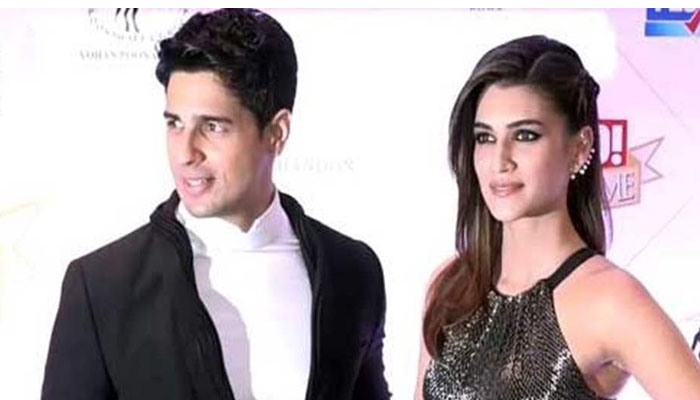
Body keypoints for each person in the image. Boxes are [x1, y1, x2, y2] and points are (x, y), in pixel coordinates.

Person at [42, 8, 390, 400]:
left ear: (277, 132)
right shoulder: (102, 285)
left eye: (212, 127)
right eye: (175, 123)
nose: (185, 153)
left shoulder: (352, 270)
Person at [415, 35, 700, 399]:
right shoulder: (451, 284)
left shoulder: (610, 298)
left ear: (579, 148)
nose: (500, 160)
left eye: (525, 135)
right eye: (485, 138)